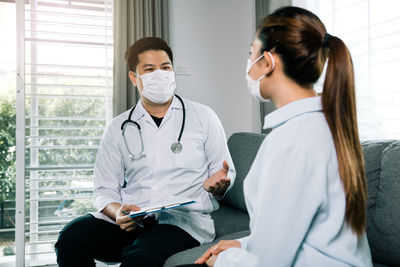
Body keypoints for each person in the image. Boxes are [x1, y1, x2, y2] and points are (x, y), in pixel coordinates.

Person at [191, 6, 373, 267]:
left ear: (267, 62)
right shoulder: (323, 126)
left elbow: (269, 263)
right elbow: (303, 231)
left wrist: (222, 260)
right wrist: (243, 244)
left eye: (250, 53)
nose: (248, 64)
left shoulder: (293, 140)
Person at [55, 37, 236, 267]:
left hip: (182, 222)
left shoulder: (204, 117)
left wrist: (221, 184)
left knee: (141, 256)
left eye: (165, 67)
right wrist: (118, 211)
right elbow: (104, 188)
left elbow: (223, 171)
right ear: (134, 77)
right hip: (133, 220)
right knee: (72, 237)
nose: (159, 74)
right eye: (149, 69)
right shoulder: (118, 128)